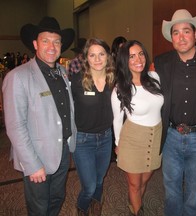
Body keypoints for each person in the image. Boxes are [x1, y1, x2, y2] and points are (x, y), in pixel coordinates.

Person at [2, 16, 77, 216]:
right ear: (35, 44)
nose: (51, 46)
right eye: (46, 41)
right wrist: (32, 164)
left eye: (56, 41)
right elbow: (15, 126)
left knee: (57, 199)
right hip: (37, 155)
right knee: (39, 207)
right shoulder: (18, 76)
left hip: (62, 151)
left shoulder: (62, 71)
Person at [153, 9, 196, 216]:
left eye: (186, 31)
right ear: (171, 37)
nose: (181, 37)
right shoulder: (162, 62)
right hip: (172, 136)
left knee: (194, 191)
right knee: (171, 189)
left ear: (195, 34)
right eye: (176, 33)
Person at [111, 40, 163, 216]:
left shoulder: (154, 78)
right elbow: (117, 120)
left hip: (155, 136)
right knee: (134, 184)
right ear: (125, 60)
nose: (138, 59)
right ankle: (137, 210)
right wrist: (118, 144)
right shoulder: (120, 88)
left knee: (145, 180)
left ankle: (134, 203)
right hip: (132, 139)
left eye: (140, 54)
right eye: (131, 56)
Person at [70, 38, 115, 216]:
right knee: (88, 185)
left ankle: (96, 206)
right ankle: (82, 208)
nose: (97, 59)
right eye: (92, 55)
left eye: (101, 54)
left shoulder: (114, 80)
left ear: (108, 57)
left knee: (99, 180)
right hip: (83, 140)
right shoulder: (77, 80)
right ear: (86, 58)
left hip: (106, 138)